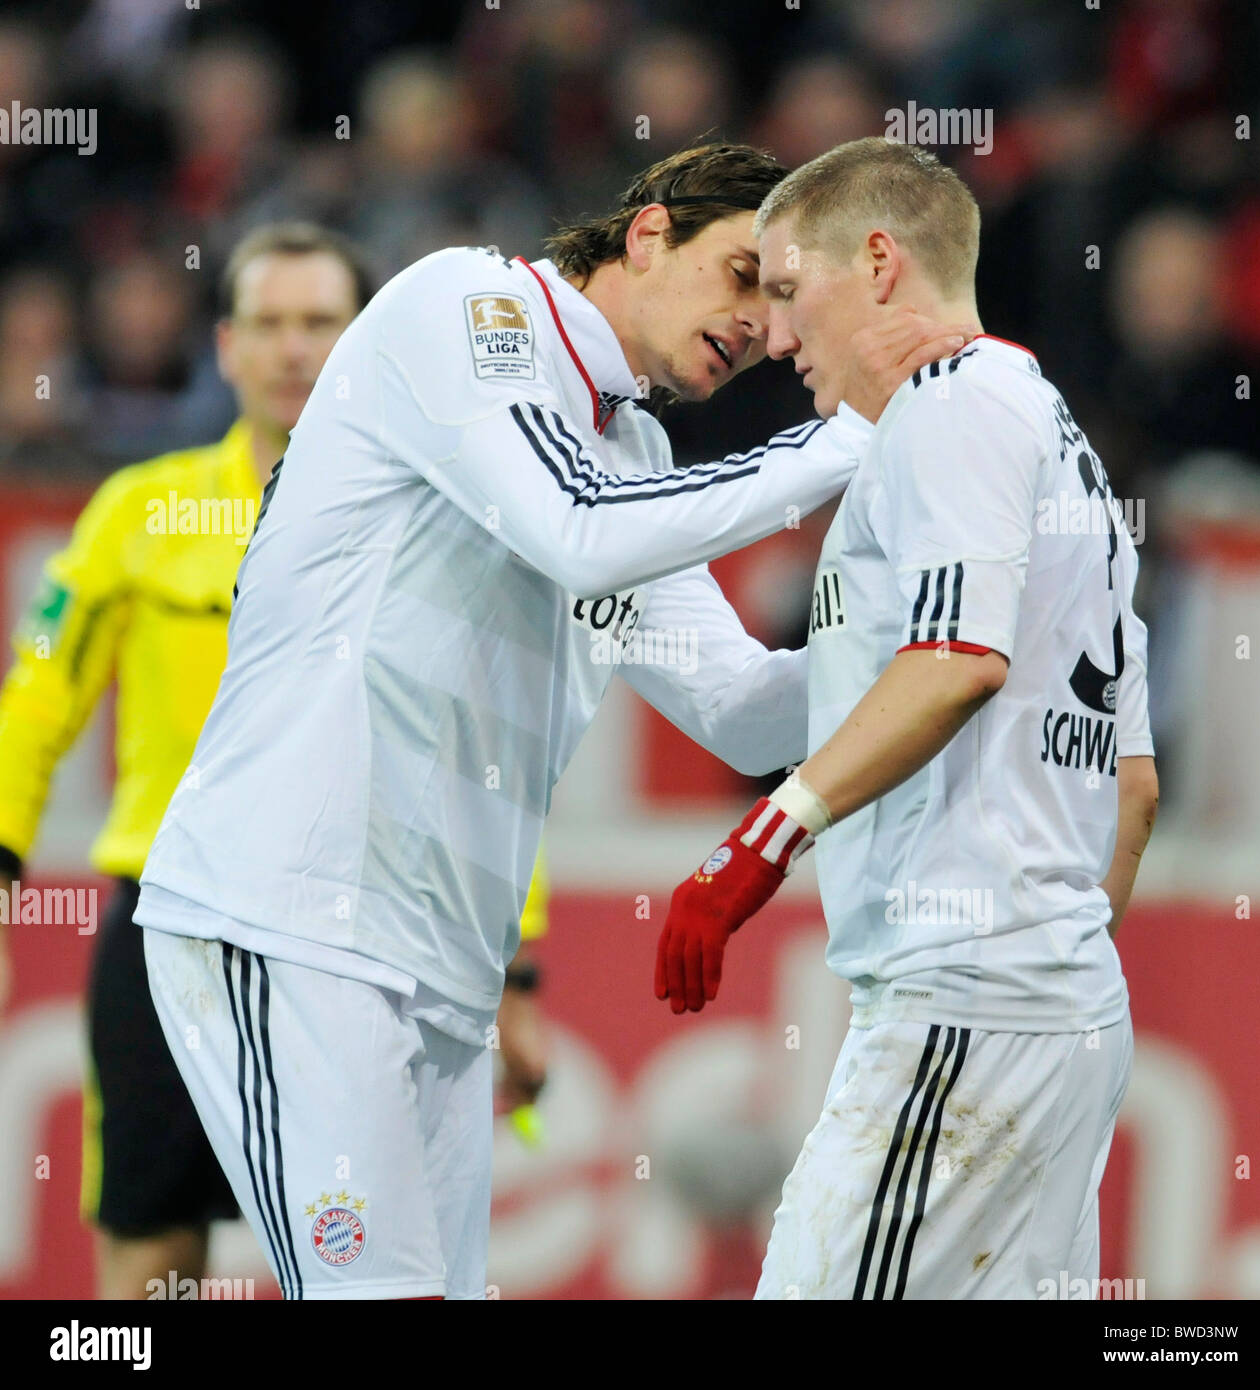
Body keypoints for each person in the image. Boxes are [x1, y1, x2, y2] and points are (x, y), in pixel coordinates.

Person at [135, 141, 965, 1300]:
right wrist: (845, 436)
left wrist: (939, 640)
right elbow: (575, 529)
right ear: (646, 232)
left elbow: (738, 708)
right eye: (743, 277)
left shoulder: (629, 449)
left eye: (782, 304)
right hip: (291, 917)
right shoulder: (469, 308)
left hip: (441, 968)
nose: (764, 331)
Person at [653, 138, 1160, 1300]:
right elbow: (1130, 787)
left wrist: (757, 844)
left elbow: (953, 665)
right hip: (1051, 1009)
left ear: (878, 262)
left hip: (964, 1006)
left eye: (786, 290)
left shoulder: (947, 410)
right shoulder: (1058, 441)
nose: (777, 337)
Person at [0, 223, 373, 1296]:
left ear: (361, 344)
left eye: (320, 323)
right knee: (154, 1249)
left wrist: (519, 956)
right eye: (269, 323)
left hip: (346, 932)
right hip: (167, 924)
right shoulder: (142, 512)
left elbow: (486, 746)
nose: (294, 348)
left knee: (359, 1248)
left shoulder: (414, 523)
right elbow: (36, 699)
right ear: (226, 345)